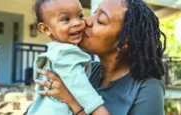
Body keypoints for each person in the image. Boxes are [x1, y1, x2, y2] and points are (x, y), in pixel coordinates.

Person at [34, 0, 166, 114]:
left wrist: (73, 104)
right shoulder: (82, 70)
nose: (86, 21)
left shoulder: (147, 89)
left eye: (100, 21)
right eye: (93, 13)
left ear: (124, 42)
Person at [26, 0, 109, 115]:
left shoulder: (55, 51)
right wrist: (100, 111)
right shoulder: (65, 53)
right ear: (46, 29)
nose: (77, 23)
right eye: (66, 19)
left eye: (80, 16)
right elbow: (81, 88)